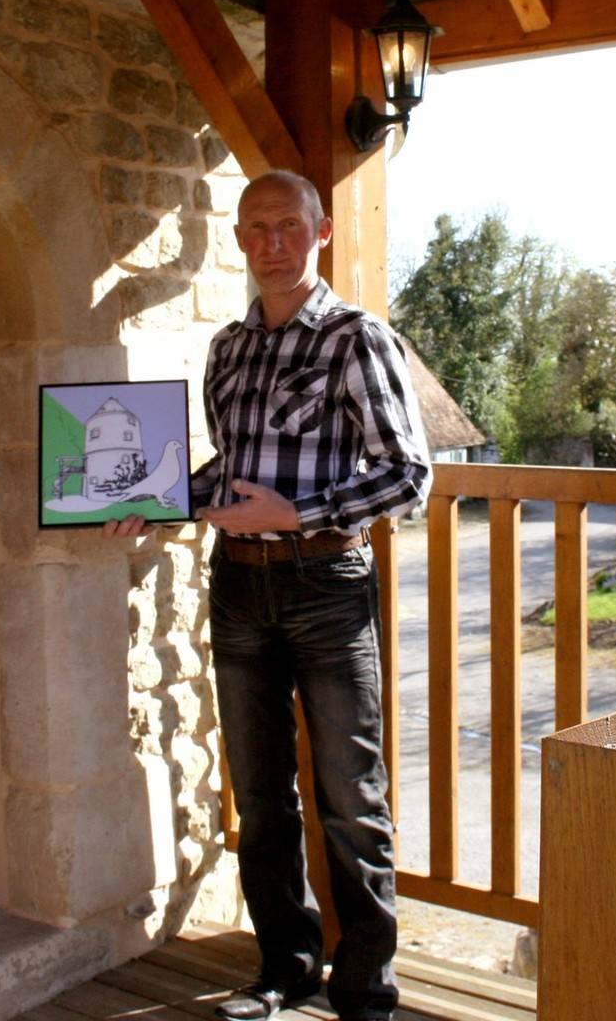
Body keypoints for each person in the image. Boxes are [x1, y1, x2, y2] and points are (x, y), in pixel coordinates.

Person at [106, 170, 430, 1021]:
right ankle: (286, 969)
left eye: (288, 225)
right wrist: (155, 500)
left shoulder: (358, 339)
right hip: (238, 585)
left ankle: (366, 989)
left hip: (328, 585)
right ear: (239, 238)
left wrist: (300, 513)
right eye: (255, 228)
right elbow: (229, 470)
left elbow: (408, 475)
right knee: (258, 794)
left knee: (352, 798)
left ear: (320, 231)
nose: (270, 244)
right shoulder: (229, 348)